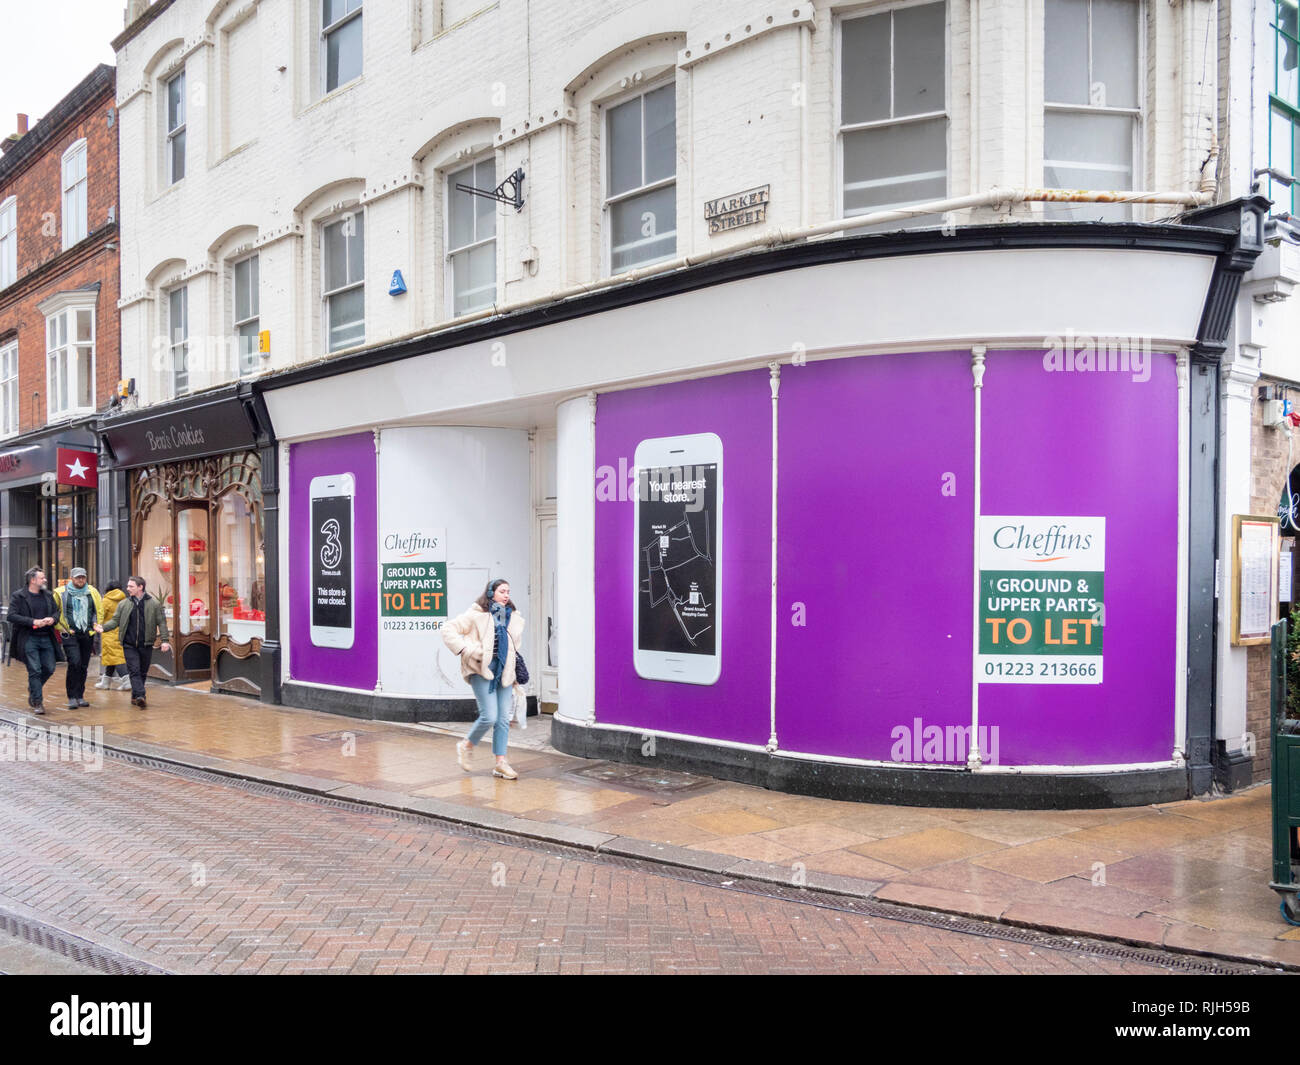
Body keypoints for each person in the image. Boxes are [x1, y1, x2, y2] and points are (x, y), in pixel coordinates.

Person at [441, 578, 525, 780]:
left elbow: (514, 648)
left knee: (503, 719)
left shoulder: (512, 617)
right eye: (502, 591)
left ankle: (500, 763)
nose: (506, 595)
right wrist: (466, 650)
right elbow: (448, 629)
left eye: (508, 591)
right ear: (491, 593)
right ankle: (466, 745)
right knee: (490, 716)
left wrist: (513, 672)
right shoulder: (476, 614)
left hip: (504, 671)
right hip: (480, 669)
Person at [96, 575, 171, 708]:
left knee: (142, 671)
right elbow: (115, 620)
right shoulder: (124, 604)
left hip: (146, 644)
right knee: (134, 670)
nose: (127, 589)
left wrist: (165, 640)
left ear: (140, 587)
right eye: (128, 586)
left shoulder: (154, 604)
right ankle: (141, 695)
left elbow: (162, 623)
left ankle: (135, 696)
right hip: (129, 644)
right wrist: (104, 627)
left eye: (131, 586)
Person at [7, 567, 60, 714]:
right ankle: (38, 702)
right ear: (33, 580)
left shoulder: (48, 595)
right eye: (42, 578)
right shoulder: (19, 596)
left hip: (46, 637)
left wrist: (52, 619)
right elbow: (11, 616)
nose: (45, 580)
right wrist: (33, 621)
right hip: (29, 638)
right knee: (34, 670)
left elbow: (57, 612)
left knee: (49, 668)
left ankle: (33, 688)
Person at [52, 567, 103, 709]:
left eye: (83, 577)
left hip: (87, 633)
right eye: (78, 577)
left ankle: (80, 695)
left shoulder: (92, 592)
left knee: (83, 665)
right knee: (74, 662)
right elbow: (55, 612)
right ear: (72, 578)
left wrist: (95, 623)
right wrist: (62, 627)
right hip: (70, 634)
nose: (81, 580)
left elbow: (97, 610)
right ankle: (71, 696)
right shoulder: (61, 592)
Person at [94, 580, 130, 690]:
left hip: (109, 632)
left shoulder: (106, 600)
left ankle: (127, 681)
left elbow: (101, 615)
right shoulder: (125, 599)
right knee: (112, 657)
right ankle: (106, 682)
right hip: (122, 631)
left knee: (116, 658)